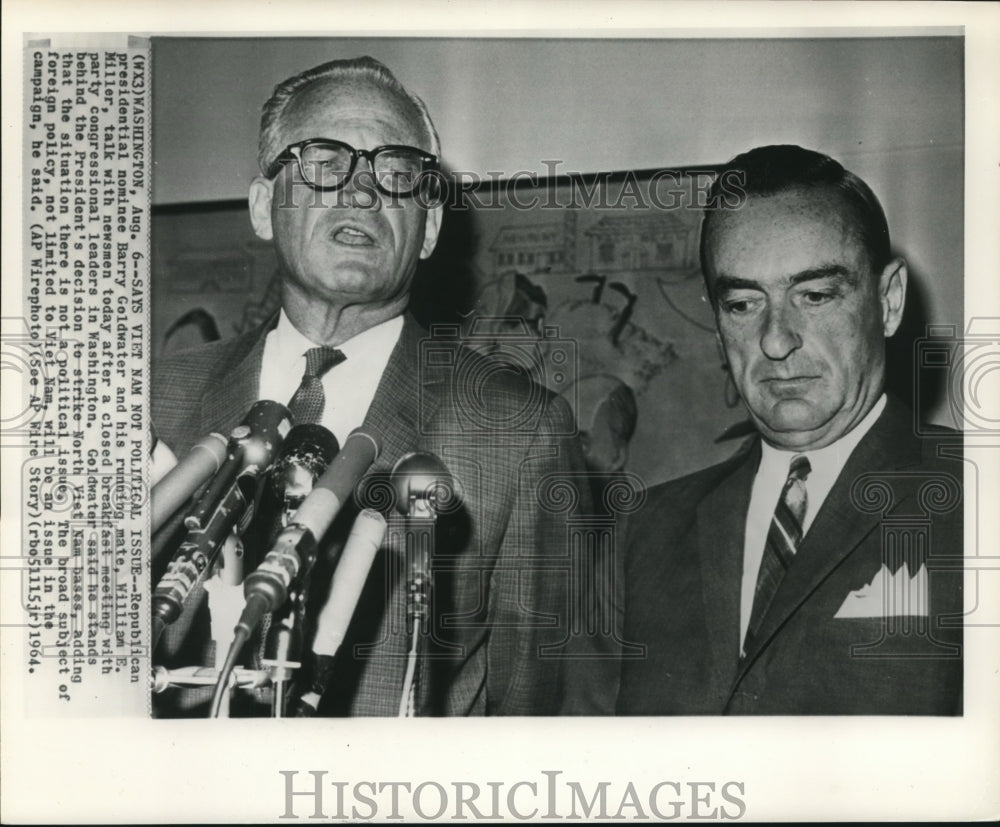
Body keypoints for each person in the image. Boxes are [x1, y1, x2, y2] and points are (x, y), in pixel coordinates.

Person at [151, 56, 590, 716]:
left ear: (431, 228)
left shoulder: (518, 431)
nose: (362, 194)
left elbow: (543, 711)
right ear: (264, 207)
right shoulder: (153, 400)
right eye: (326, 162)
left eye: (397, 173)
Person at [611, 145, 963, 715]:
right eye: (744, 304)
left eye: (816, 296)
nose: (776, 340)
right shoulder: (641, 534)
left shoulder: (979, 501)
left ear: (889, 301)